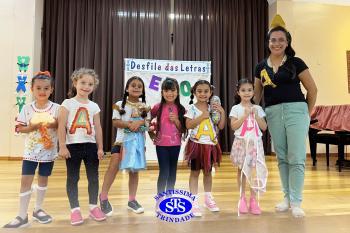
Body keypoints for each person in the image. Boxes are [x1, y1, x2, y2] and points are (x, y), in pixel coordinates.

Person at [254, 15, 317, 218]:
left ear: (287, 42)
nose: (277, 43)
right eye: (273, 39)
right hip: (272, 112)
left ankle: (297, 201)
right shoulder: (260, 67)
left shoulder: (296, 62)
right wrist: (245, 101)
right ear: (268, 42)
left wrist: (306, 113)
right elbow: (256, 95)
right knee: (282, 157)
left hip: (296, 111)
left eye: (281, 39)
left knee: (296, 157)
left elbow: (312, 89)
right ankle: (287, 198)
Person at [4, 71, 59, 228]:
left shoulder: (57, 108)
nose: (42, 92)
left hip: (48, 153)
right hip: (30, 153)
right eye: (39, 88)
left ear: (52, 90)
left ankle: (38, 209)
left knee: (43, 179)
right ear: (32, 89)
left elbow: (62, 126)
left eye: (46, 88)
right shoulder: (27, 109)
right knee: (25, 181)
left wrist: (53, 124)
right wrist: (32, 126)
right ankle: (22, 215)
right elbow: (19, 128)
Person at [58, 68, 106, 225]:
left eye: (90, 84)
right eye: (83, 82)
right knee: (73, 178)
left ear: (94, 86)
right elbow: (61, 126)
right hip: (73, 146)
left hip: (91, 146)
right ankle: (75, 210)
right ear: (75, 83)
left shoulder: (94, 106)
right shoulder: (67, 103)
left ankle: (93, 207)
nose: (86, 86)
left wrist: (100, 147)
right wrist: (63, 146)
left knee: (93, 177)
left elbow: (98, 127)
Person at [99, 76, 150, 216]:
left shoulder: (145, 106)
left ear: (143, 90)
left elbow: (147, 124)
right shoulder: (119, 104)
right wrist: (129, 124)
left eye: (139, 86)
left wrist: (140, 123)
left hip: (137, 144)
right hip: (121, 142)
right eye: (133, 85)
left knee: (134, 171)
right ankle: (103, 197)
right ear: (127, 88)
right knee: (113, 168)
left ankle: (132, 200)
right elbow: (115, 122)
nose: (136, 88)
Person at [184, 80, 226, 217]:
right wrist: (202, 117)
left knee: (208, 172)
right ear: (194, 93)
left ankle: (208, 198)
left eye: (206, 91)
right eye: (199, 91)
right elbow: (188, 125)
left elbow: (220, 126)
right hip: (196, 145)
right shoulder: (192, 108)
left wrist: (222, 112)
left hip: (211, 145)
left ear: (211, 92)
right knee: (195, 173)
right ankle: (194, 201)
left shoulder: (213, 108)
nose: (203, 94)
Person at [229, 78, 268, 216]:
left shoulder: (257, 108)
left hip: (254, 144)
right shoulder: (236, 108)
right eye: (243, 90)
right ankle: (242, 199)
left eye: (249, 90)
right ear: (238, 92)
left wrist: (257, 117)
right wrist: (244, 116)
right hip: (241, 143)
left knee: (253, 171)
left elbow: (264, 127)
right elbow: (233, 126)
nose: (247, 93)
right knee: (242, 171)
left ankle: (253, 200)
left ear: (253, 92)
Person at [150, 78, 187, 194]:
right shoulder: (157, 107)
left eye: (172, 90)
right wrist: (151, 134)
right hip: (161, 145)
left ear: (177, 92)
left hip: (176, 144)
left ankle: (169, 196)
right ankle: (160, 198)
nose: (170, 93)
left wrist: (176, 120)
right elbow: (146, 122)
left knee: (172, 171)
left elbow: (183, 129)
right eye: (166, 90)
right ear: (162, 92)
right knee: (164, 171)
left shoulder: (181, 109)